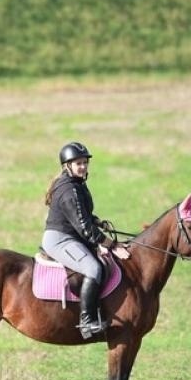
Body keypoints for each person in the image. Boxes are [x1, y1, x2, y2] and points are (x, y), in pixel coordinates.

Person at [41, 141, 112, 340]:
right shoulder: (69, 189)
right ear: (67, 166)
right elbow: (83, 226)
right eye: (78, 163)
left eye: (84, 163)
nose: (83, 167)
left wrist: (98, 221)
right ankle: (87, 322)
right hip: (61, 239)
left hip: (72, 235)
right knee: (93, 269)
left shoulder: (77, 183)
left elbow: (82, 215)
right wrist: (109, 244)